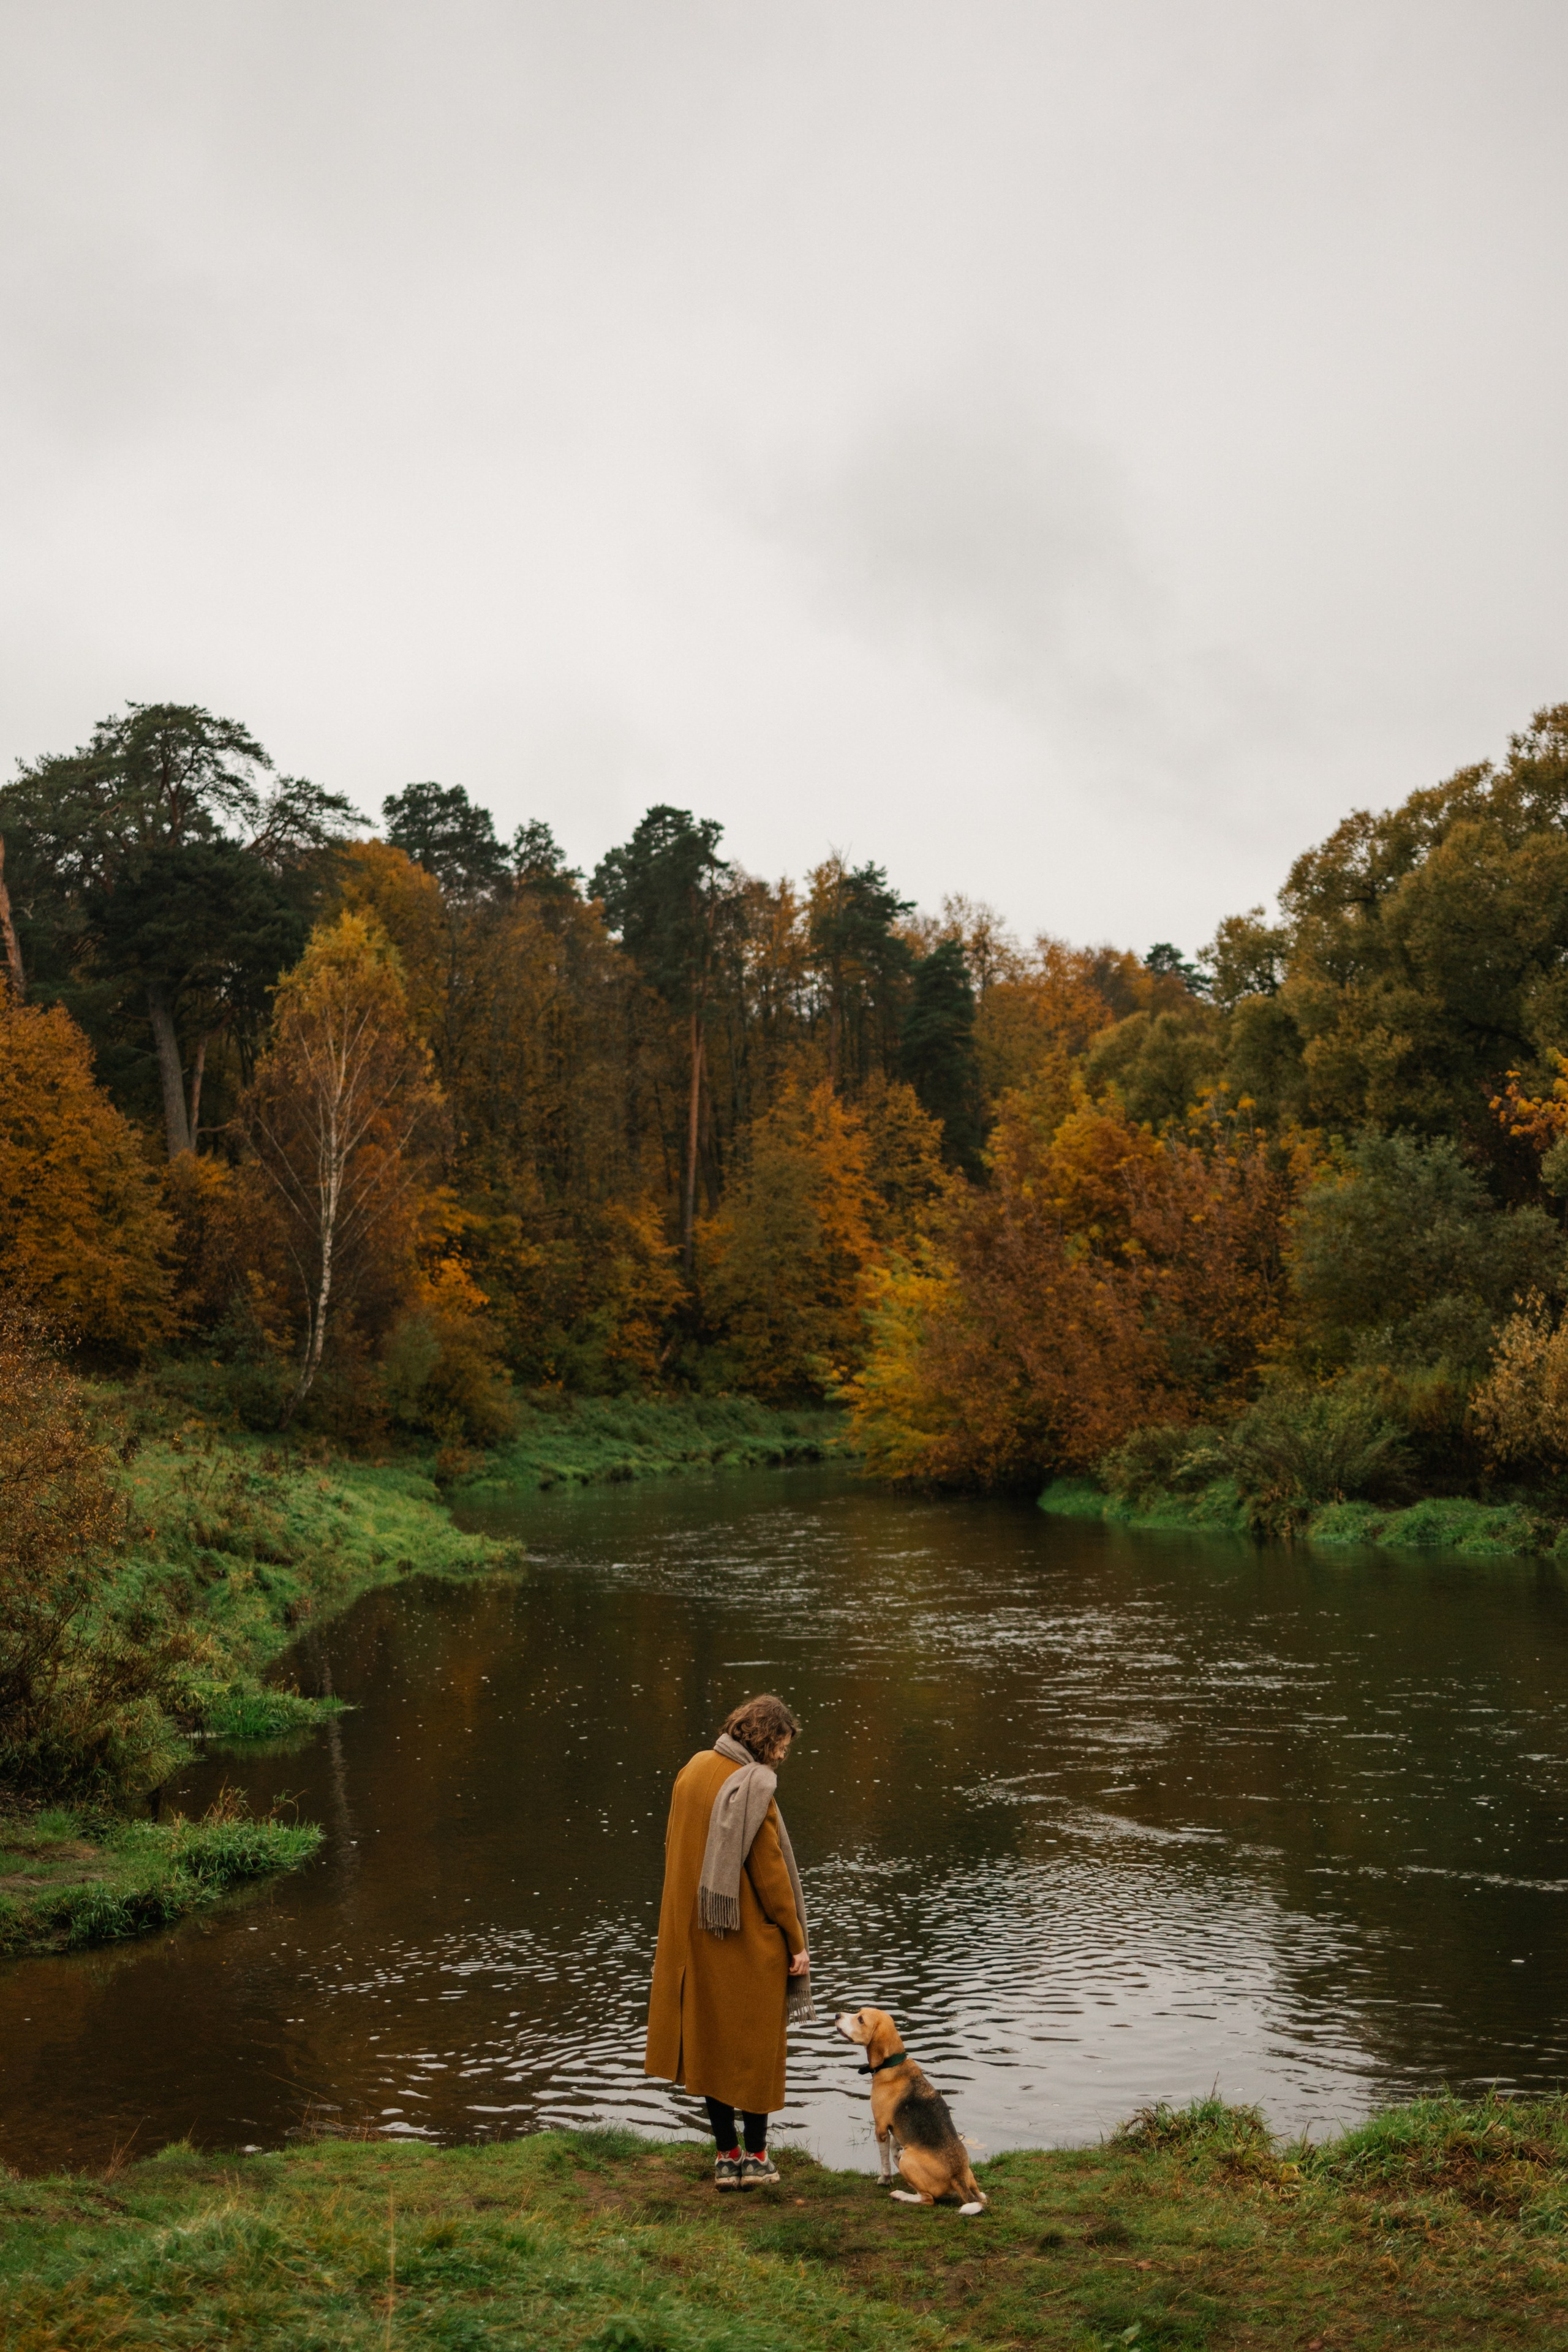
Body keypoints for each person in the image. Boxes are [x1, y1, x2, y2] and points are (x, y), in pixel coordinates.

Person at [644, 1693, 813, 2190]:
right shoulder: (755, 1785)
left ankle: (726, 2155)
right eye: (782, 1745)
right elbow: (771, 1875)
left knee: (709, 2041)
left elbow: (675, 1845)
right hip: (744, 1938)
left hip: (694, 1933)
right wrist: (796, 1940)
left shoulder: (693, 1768)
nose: (782, 1756)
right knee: (758, 2044)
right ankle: (756, 2158)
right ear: (767, 1739)